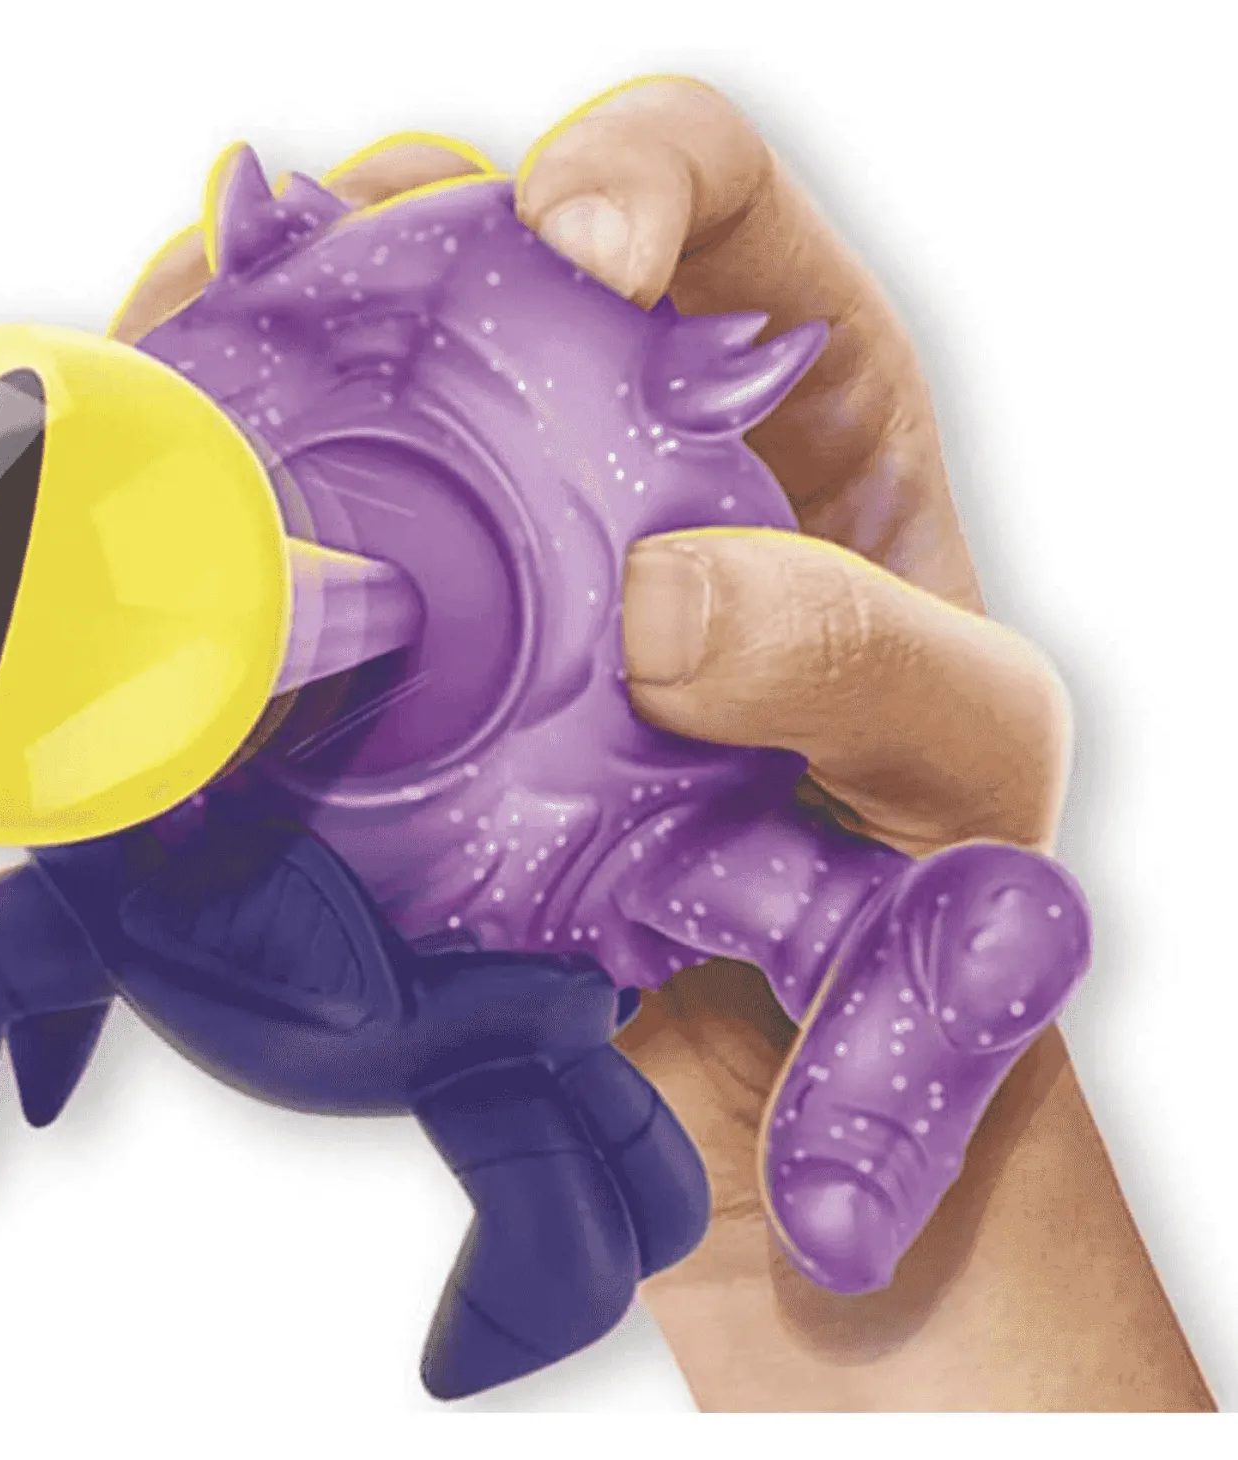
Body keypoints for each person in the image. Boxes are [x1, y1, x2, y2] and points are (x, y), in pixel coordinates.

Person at [112, 74, 1215, 1412]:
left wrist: (934, 1307)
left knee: (721, 860)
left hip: (586, 820)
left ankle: (896, 939)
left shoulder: (619, 815)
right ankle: (885, 940)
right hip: (420, 843)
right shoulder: (174, 634)